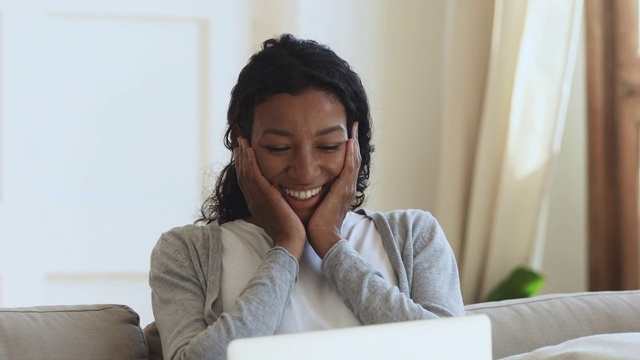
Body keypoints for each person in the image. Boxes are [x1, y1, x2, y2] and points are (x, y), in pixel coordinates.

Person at [149, 33, 465, 360]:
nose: (304, 172)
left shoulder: (413, 234)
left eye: (327, 147)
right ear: (243, 145)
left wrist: (331, 244)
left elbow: (454, 352)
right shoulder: (184, 252)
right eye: (279, 148)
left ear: (356, 143)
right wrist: (286, 247)